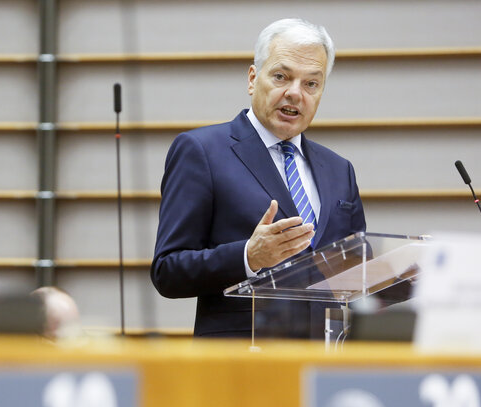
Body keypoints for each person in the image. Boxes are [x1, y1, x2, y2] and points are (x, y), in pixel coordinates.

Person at [151, 18, 366, 339]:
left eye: (311, 83)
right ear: (253, 78)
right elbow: (168, 271)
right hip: (241, 365)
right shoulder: (202, 151)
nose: (295, 93)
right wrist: (248, 257)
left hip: (324, 368)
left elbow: (357, 269)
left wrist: (400, 276)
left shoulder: (339, 168)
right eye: (281, 76)